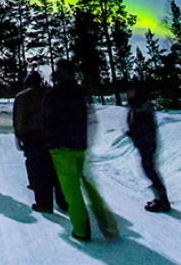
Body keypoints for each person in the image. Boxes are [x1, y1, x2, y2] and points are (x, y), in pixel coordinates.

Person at [44, 60, 117, 242]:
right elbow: (88, 117)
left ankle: (81, 230)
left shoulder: (54, 94)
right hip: (79, 144)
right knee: (88, 184)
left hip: (61, 147)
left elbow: (48, 120)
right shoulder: (79, 93)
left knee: (72, 191)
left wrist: (49, 142)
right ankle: (106, 220)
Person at [12, 70, 66, 213]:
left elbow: (18, 119)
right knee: (55, 168)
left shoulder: (22, 97)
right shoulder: (50, 93)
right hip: (53, 135)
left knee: (38, 170)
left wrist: (18, 137)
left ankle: (44, 202)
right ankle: (63, 200)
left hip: (31, 136)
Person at [127, 85, 171, 213]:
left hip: (147, 144)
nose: (129, 94)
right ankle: (160, 198)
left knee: (150, 171)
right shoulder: (137, 106)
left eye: (131, 91)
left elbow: (145, 126)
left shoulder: (143, 107)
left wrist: (135, 133)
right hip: (144, 144)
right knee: (149, 171)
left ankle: (162, 201)